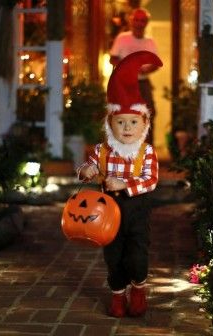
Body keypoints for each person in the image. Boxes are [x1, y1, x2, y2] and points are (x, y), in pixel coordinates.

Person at [77, 51, 163, 318]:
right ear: (110, 123)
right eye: (121, 122)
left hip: (136, 209)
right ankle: (117, 296)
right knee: (113, 257)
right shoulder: (103, 151)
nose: (127, 128)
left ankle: (138, 288)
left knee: (136, 255)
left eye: (133, 122)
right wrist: (88, 170)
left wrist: (125, 185)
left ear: (144, 123)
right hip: (109, 211)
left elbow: (151, 179)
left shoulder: (146, 152)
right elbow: (85, 169)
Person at [109, 8, 159, 144]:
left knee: (149, 113)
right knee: (120, 114)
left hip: (142, 83)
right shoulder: (122, 38)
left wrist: (146, 70)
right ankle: (119, 148)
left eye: (142, 20)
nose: (139, 23)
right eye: (136, 20)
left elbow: (155, 64)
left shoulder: (150, 42)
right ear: (131, 21)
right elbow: (112, 58)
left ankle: (147, 149)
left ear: (146, 23)